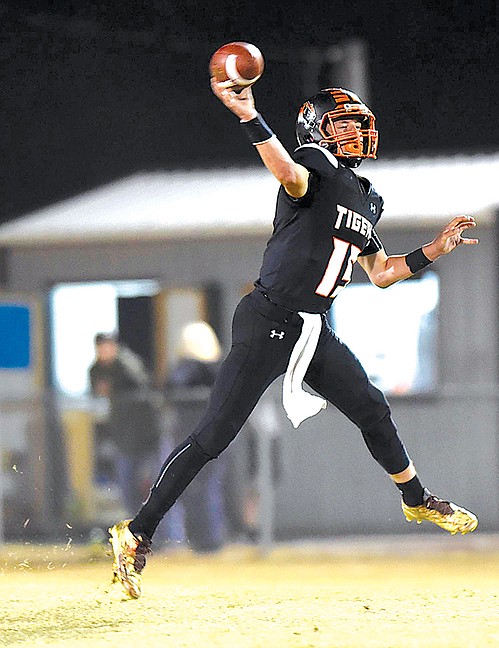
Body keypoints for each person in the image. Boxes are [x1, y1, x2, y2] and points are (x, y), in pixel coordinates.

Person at [109, 79, 479, 599]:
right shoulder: (313, 166)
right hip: (267, 318)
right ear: (317, 127)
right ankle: (137, 532)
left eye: (358, 125)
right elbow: (286, 171)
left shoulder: (367, 197)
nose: (354, 133)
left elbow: (381, 272)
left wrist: (432, 252)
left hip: (311, 328)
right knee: (212, 436)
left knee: (372, 407)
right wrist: (249, 116)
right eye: (344, 123)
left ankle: (416, 498)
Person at [161, 321, 227, 552]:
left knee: (204, 488)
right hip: (200, 438)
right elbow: (171, 387)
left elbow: (174, 385)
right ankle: (203, 540)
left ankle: (208, 540)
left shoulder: (202, 369)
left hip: (202, 439)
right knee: (198, 488)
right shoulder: (214, 369)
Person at [89, 332, 159, 516]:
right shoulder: (97, 368)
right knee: (127, 485)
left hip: (146, 435)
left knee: (154, 484)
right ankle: (134, 528)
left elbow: (141, 384)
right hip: (122, 436)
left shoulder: (127, 363)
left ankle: (164, 532)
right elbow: (95, 391)